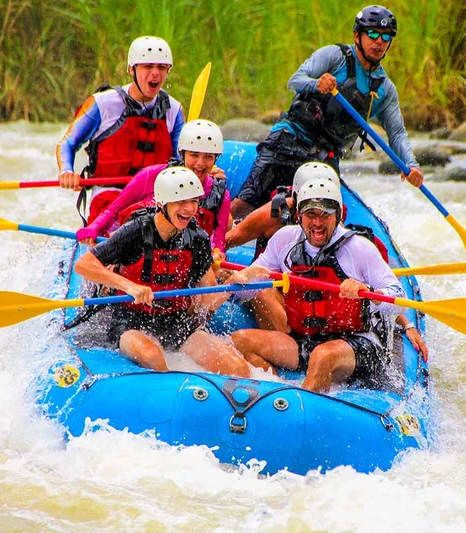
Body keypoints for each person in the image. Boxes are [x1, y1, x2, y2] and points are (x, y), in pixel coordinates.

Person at [230, 5, 424, 220]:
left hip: (326, 158)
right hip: (289, 140)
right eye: (372, 33)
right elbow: (294, 81)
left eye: (386, 37)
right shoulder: (335, 56)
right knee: (246, 202)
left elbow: (397, 134)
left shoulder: (384, 89)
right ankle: (220, 241)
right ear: (357, 36)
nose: (379, 41)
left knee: (322, 218)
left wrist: (411, 165)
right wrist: (316, 84)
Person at [223, 162, 428, 359]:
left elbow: (390, 294)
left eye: (325, 211)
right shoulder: (282, 231)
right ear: (298, 205)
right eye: (311, 211)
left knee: (323, 355)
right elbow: (233, 246)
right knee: (258, 298)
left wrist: (404, 322)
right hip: (298, 326)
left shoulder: (358, 245)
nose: (318, 221)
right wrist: (236, 278)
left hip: (347, 338)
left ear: (337, 210)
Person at [74, 167, 249, 377]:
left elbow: (206, 300)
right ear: (162, 203)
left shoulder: (198, 239)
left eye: (194, 201)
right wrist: (129, 286)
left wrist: (232, 287)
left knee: (237, 367)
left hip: (177, 321)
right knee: (152, 356)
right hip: (130, 319)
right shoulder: (136, 230)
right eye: (181, 202)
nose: (190, 209)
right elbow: (84, 264)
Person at [57, 36, 184, 223]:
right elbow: (67, 143)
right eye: (148, 67)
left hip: (153, 197)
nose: (155, 73)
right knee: (124, 225)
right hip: (109, 195)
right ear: (131, 69)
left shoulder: (174, 110)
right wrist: (67, 171)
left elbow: (181, 160)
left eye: (161, 67)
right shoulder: (102, 104)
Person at [75, 120, 230, 252]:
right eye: (194, 155)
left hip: (181, 260)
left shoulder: (220, 195)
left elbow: (217, 242)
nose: (200, 163)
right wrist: (93, 229)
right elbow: (114, 211)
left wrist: (216, 254)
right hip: (139, 251)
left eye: (208, 157)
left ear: (216, 158)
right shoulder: (151, 176)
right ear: (182, 154)